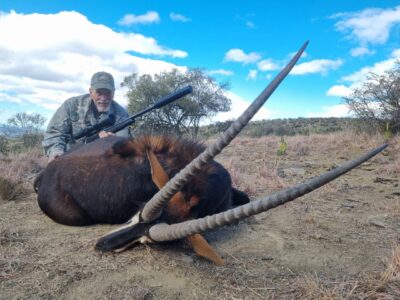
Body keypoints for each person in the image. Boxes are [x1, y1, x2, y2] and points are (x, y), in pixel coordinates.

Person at [43, 71, 130, 161]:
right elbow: (55, 132)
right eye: (99, 93)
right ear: (91, 92)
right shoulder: (71, 105)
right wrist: (56, 151)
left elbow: (124, 141)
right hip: (69, 158)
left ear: (114, 92)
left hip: (102, 161)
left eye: (108, 93)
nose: (103, 98)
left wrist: (113, 142)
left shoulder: (121, 114)